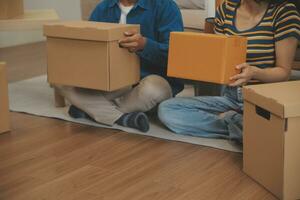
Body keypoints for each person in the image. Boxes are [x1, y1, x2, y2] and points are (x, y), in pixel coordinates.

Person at [158, 0, 300, 143]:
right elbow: (218, 59)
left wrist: (255, 72)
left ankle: (245, 126)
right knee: (167, 109)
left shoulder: (284, 12)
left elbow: (284, 73)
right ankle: (243, 125)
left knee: (272, 135)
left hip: (263, 100)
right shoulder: (226, 9)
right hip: (232, 97)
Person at [59, 0, 184, 132]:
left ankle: (90, 109)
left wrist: (145, 45)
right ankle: (122, 118)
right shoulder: (103, 8)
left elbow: (176, 56)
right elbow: (89, 49)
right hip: (113, 84)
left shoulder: (165, 6)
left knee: (152, 90)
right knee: (61, 81)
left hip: (149, 82)